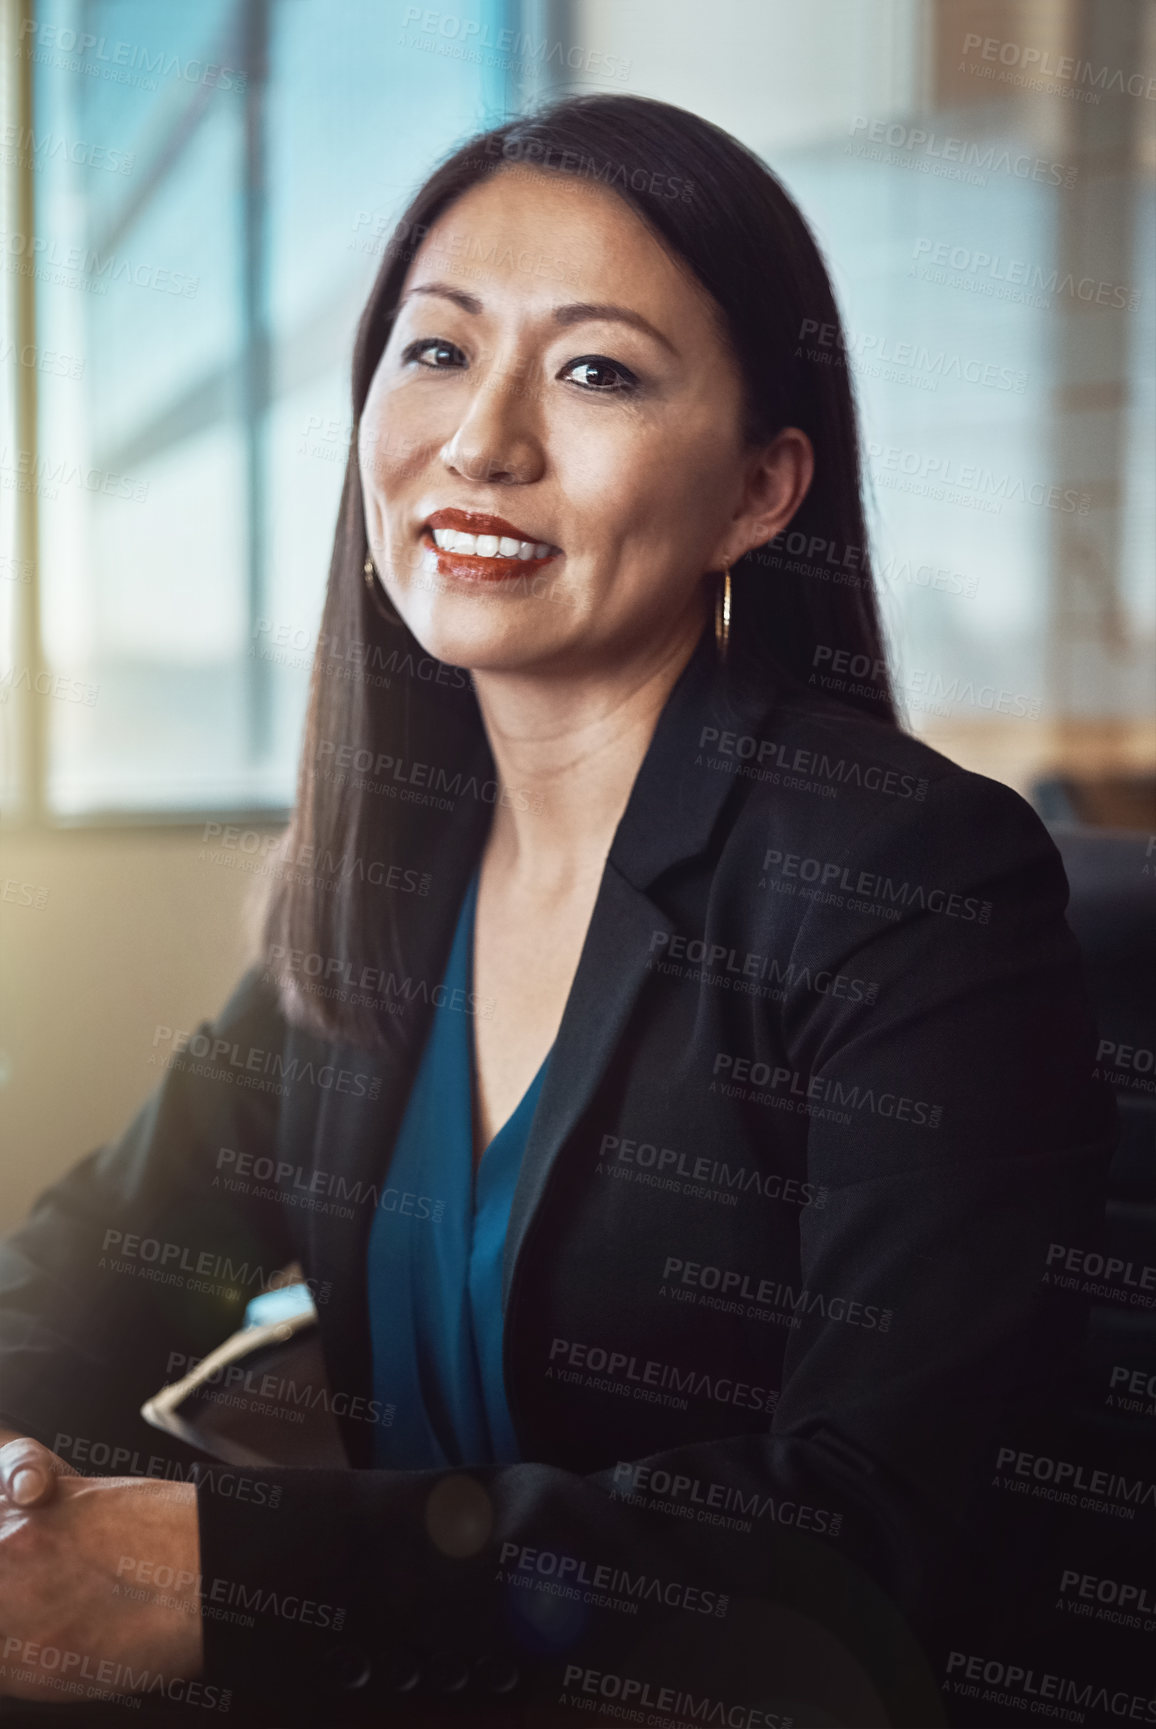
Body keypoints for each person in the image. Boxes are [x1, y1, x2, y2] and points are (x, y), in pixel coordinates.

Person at [0, 94, 1116, 1727]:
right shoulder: (389, 877)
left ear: (759, 487)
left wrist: (223, 1570)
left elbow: (863, 1528)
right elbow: (96, 1266)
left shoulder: (911, 882)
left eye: (596, 370)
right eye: (436, 351)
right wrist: (20, 1477)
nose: (482, 440)